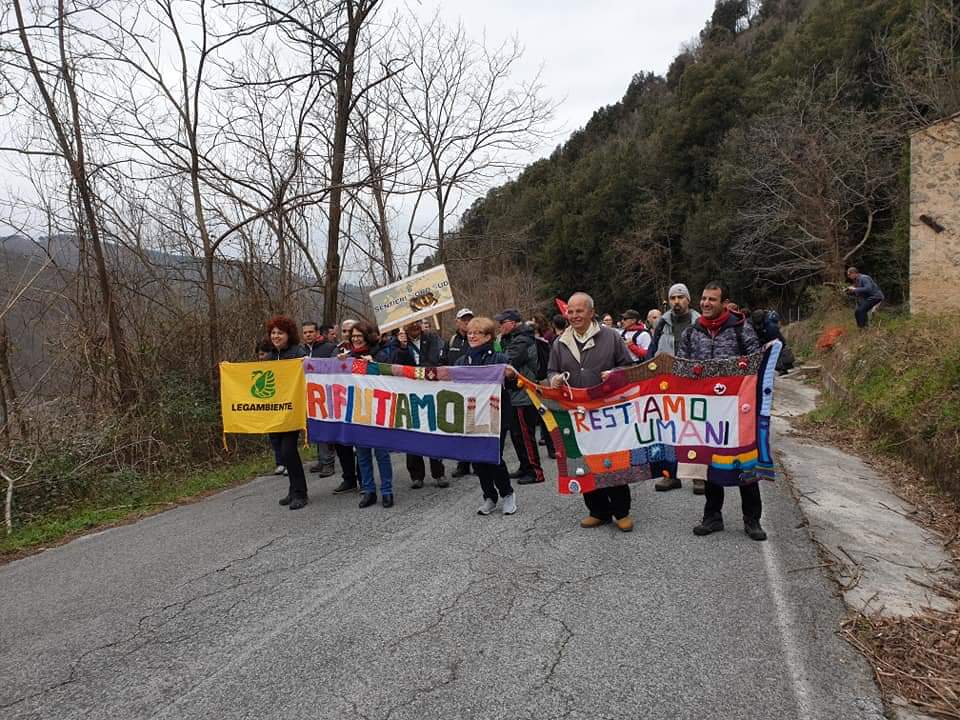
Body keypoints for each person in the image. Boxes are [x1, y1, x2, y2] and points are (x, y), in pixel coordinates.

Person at [677, 281, 766, 541]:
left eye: (712, 300)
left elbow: (755, 364)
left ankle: (752, 520)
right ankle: (712, 517)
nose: (705, 303)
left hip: (738, 411)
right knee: (710, 464)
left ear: (724, 303)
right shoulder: (692, 333)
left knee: (745, 463)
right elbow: (682, 367)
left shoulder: (741, 329)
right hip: (706, 412)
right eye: (703, 298)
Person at [547, 292, 635, 531]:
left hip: (606, 412)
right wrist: (554, 379)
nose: (574, 315)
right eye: (571, 311)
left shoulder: (611, 337)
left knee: (611, 461)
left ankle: (621, 512)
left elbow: (628, 366)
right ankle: (598, 511)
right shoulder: (559, 342)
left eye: (579, 311)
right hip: (577, 413)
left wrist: (616, 374)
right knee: (583, 461)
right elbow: (551, 371)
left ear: (591, 312)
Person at [456, 316, 517, 516]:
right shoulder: (461, 361)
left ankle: (507, 493)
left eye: (477, 332)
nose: (472, 336)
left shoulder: (499, 359)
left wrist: (511, 376)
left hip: (496, 416)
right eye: (470, 332)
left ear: (488, 336)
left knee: (493, 457)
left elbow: (514, 385)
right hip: (472, 416)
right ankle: (489, 496)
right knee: (477, 459)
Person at [647, 283, 703, 494]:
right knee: (668, 431)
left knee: (695, 430)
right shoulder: (662, 323)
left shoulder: (700, 322)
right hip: (667, 385)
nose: (677, 302)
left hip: (694, 384)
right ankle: (670, 475)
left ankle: (698, 476)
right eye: (673, 298)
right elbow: (652, 352)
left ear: (688, 299)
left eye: (681, 297)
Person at [339, 321, 396, 508]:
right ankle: (369, 490)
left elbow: (391, 374)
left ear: (367, 337)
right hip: (356, 410)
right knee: (362, 455)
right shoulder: (346, 356)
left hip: (377, 410)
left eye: (359, 336)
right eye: (353, 336)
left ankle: (387, 491)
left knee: (382, 454)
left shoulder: (380, 353)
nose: (355, 339)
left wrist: (375, 365)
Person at [395, 321, 449, 489]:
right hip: (407, 392)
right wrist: (403, 347)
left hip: (429, 390)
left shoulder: (432, 338)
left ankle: (439, 473)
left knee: (433, 429)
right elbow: (394, 366)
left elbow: (433, 361)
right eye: (410, 323)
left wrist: (414, 372)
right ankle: (416, 476)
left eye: (417, 322)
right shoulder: (396, 342)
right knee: (412, 432)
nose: (415, 326)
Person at [264, 315, 309, 510]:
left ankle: (301, 493)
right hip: (277, 412)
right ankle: (293, 490)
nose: (276, 336)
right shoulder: (270, 356)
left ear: (288, 334)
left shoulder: (298, 353)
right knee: (284, 453)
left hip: (294, 410)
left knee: (288, 451)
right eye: (273, 333)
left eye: (280, 333)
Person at [495, 309, 544, 485]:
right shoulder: (510, 339)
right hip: (514, 394)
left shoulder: (522, 340)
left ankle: (535, 471)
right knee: (516, 434)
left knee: (525, 434)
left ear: (513, 323)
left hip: (524, 394)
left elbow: (506, 361)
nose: (499, 326)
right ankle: (525, 466)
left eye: (502, 322)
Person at [443, 308, 475, 479]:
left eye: (469, 319)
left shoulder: (478, 337)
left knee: (475, 427)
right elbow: (445, 363)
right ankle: (462, 464)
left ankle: (478, 462)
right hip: (457, 390)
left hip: (476, 389)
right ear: (457, 321)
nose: (467, 322)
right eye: (464, 319)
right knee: (460, 428)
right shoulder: (452, 341)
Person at [302, 321, 337, 477]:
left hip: (326, 394)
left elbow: (336, 370)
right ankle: (321, 460)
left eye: (310, 332)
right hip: (307, 395)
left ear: (317, 333)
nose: (308, 335)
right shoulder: (301, 351)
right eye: (305, 332)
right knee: (313, 427)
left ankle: (329, 463)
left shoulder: (329, 348)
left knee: (324, 428)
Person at [332, 318, 360, 494]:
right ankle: (349, 478)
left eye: (351, 331)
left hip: (360, 401)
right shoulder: (335, 350)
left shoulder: (364, 350)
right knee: (341, 443)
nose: (348, 334)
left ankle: (365, 479)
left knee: (361, 443)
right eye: (344, 331)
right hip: (340, 402)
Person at [256, 338, 286, 476]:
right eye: (259, 354)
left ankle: (287, 462)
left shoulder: (279, 363)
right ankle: (279, 462)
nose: (260, 357)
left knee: (285, 434)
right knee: (273, 434)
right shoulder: (257, 368)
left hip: (283, 403)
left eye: (263, 354)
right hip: (268, 405)